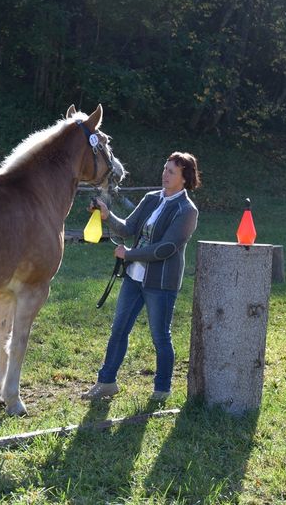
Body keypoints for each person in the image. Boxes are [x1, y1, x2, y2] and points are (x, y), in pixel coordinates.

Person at [81, 152, 201, 402]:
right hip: (134, 278)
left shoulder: (187, 210)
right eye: (165, 168)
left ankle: (161, 389)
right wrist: (106, 214)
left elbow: (166, 248)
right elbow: (128, 228)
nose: (165, 174)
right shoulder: (150, 199)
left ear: (184, 178)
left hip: (161, 283)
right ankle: (106, 382)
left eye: (171, 172)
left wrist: (130, 253)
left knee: (160, 337)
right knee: (118, 330)